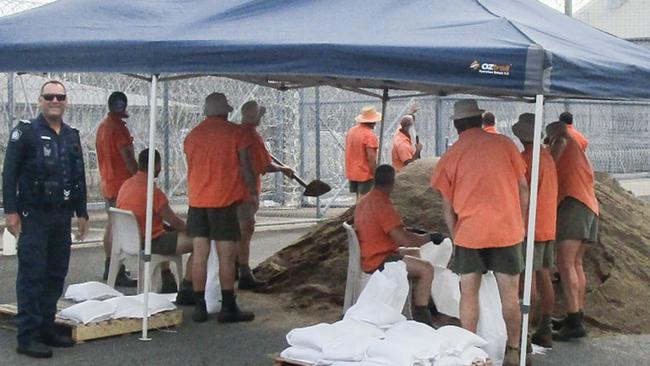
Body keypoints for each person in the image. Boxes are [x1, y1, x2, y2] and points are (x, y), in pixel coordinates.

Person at [431, 100, 530, 366]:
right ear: (479, 119)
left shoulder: (451, 155)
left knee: (468, 293)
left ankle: (470, 352)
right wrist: (518, 223)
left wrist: (456, 236)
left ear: (456, 124)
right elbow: (523, 188)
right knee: (510, 296)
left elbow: (447, 207)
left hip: (470, 233)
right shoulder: (506, 145)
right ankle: (513, 349)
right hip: (507, 231)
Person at [3, 80, 89, 358]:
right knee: (33, 274)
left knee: (55, 274)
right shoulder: (26, 132)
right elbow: (9, 173)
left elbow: (77, 175)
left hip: (61, 216)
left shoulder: (71, 135)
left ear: (66, 101)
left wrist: (82, 211)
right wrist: (11, 212)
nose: (55, 101)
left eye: (60, 97)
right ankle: (27, 336)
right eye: (49, 96)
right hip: (34, 215)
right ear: (40, 100)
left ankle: (46, 326)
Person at [184, 92, 257, 323]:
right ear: (226, 111)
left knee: (199, 255)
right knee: (226, 257)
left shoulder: (192, 136)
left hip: (197, 202)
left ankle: (199, 306)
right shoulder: (235, 133)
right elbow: (246, 166)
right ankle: (228, 306)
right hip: (224, 202)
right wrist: (252, 192)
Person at [354, 165, 444, 326]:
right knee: (426, 268)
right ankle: (422, 318)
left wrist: (413, 232)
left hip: (371, 252)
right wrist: (430, 237)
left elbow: (391, 231)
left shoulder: (366, 200)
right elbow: (405, 240)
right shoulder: (383, 205)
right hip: (379, 259)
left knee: (415, 253)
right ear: (393, 182)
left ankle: (422, 303)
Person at [116, 149, 195, 304]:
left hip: (129, 240)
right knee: (200, 242)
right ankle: (188, 286)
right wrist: (192, 230)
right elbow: (174, 221)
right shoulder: (152, 192)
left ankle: (168, 278)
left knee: (163, 230)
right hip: (151, 242)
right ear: (157, 165)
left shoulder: (126, 184)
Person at [545, 121, 599, 341]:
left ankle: (574, 319)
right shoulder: (578, 149)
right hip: (589, 206)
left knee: (566, 264)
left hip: (573, 204)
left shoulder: (561, 144)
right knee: (576, 264)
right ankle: (575, 315)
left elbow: (549, 169)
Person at [237, 100, 294, 290]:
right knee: (245, 231)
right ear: (254, 116)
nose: (262, 117)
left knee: (236, 233)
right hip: (245, 191)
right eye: (260, 115)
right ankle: (244, 273)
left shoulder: (237, 133)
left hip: (231, 190)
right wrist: (283, 168)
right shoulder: (252, 137)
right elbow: (264, 165)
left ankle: (236, 267)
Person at [512, 113, 558, 348]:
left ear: (520, 135)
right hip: (548, 225)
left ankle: (525, 335)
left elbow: (521, 194)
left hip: (529, 227)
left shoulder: (525, 160)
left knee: (525, 280)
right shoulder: (548, 157)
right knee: (544, 276)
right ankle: (545, 328)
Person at [95, 91, 138, 288]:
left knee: (111, 225)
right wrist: (138, 175)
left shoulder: (103, 126)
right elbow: (127, 155)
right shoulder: (118, 129)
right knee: (117, 228)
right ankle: (115, 269)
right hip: (121, 183)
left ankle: (109, 265)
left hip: (108, 181)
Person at [345, 106, 380, 200]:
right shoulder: (369, 135)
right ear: (371, 121)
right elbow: (371, 158)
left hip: (353, 171)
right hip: (365, 173)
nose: (375, 123)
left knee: (358, 198)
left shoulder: (351, 131)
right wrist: (375, 174)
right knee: (365, 200)